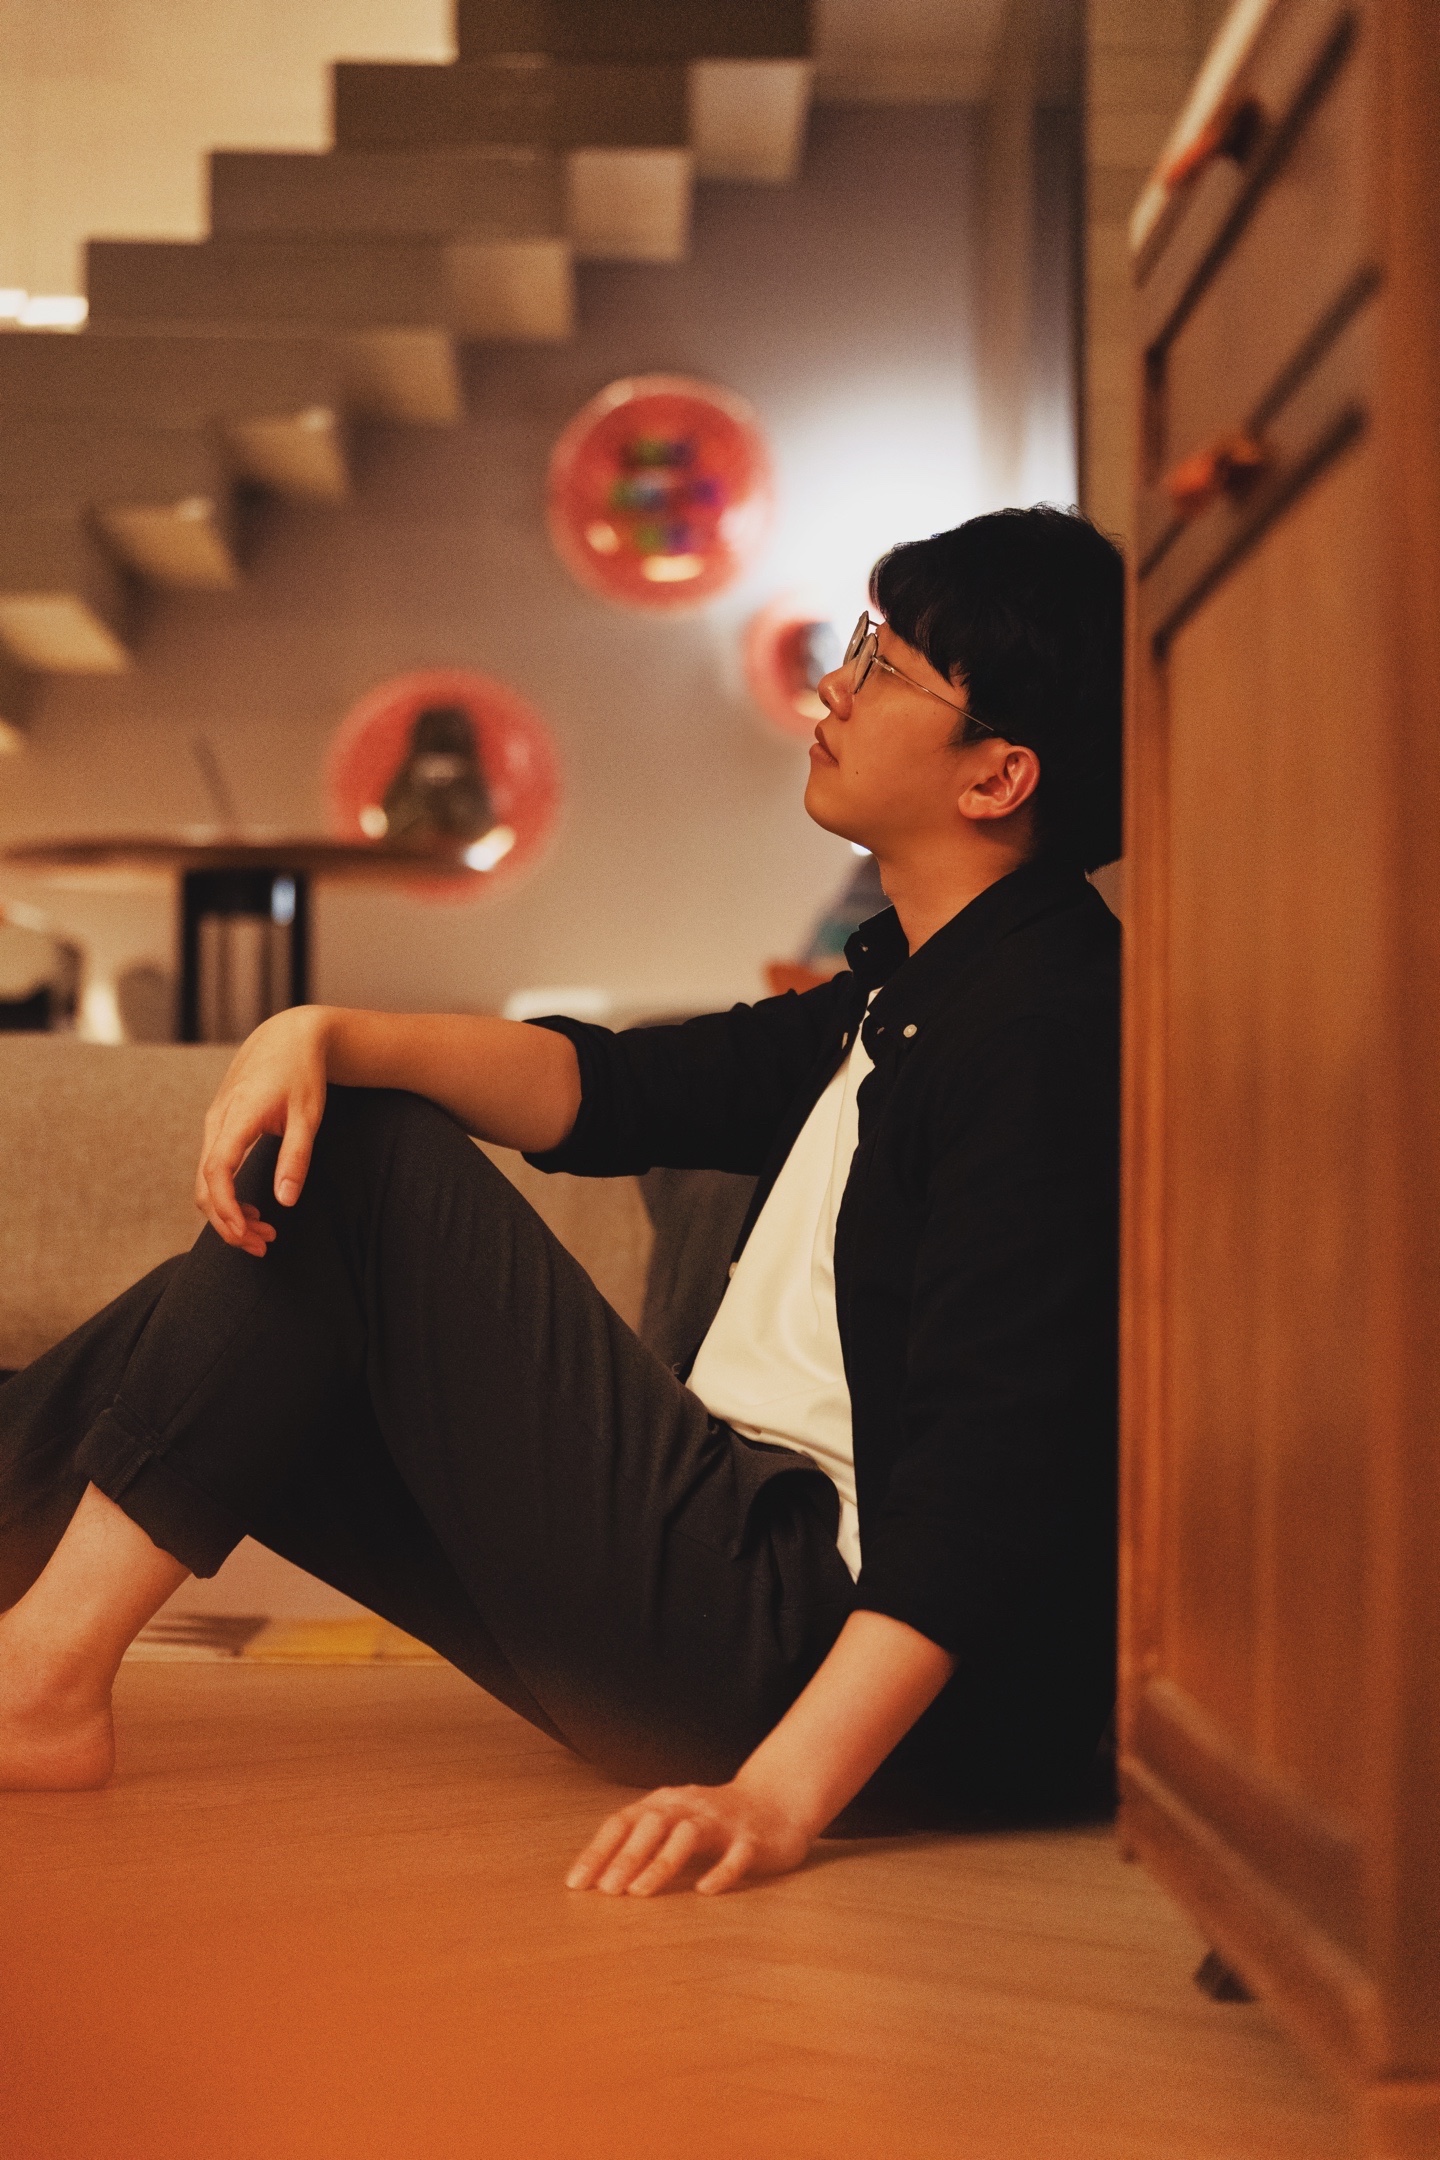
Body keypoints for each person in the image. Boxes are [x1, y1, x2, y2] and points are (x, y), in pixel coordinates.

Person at [0, 505, 1124, 1901]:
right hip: (714, 1601)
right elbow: (611, 1090)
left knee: (360, 1166)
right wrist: (328, 1031)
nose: (834, 687)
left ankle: (37, 1686)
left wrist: (778, 1795)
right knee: (242, 1331)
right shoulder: (912, 986)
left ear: (998, 775)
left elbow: (994, 1472)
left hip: (797, 1649)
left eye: (886, 668)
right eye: (857, 645)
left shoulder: (1044, 1030)